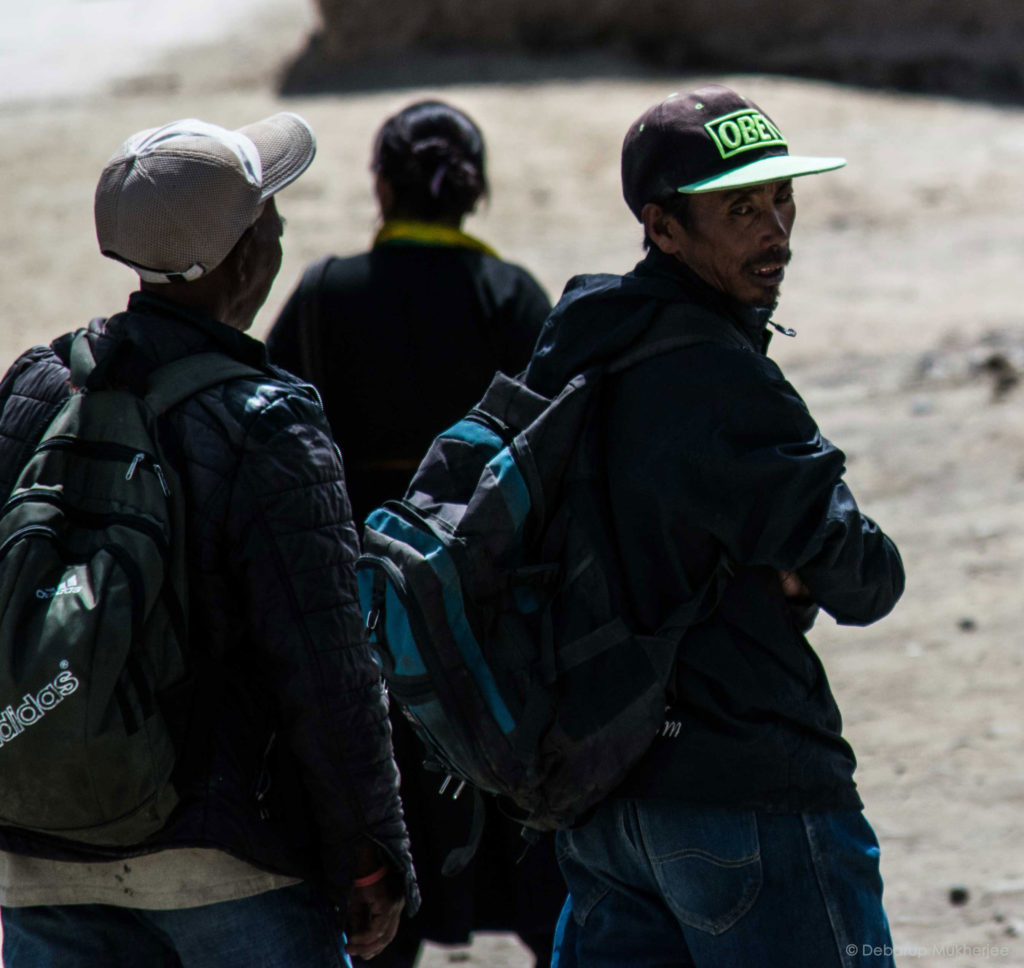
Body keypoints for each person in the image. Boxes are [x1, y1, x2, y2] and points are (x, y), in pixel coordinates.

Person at [0, 113, 417, 967]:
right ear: (248, 252)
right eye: (269, 211)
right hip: (226, 865)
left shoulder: (36, 389)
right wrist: (371, 853)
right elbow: (328, 665)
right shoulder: (268, 420)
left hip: (38, 849)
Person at [522, 85, 906, 968]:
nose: (776, 230)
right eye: (740, 209)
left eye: (782, 198)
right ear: (662, 228)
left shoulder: (577, 341)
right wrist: (792, 569)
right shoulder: (717, 376)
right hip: (746, 798)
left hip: (601, 806)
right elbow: (868, 575)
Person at [267, 100, 562, 967]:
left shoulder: (324, 295)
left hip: (357, 631)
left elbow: (276, 446)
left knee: (378, 859)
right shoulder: (512, 299)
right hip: (486, 638)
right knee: (533, 863)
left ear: (381, 186)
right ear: (475, 192)